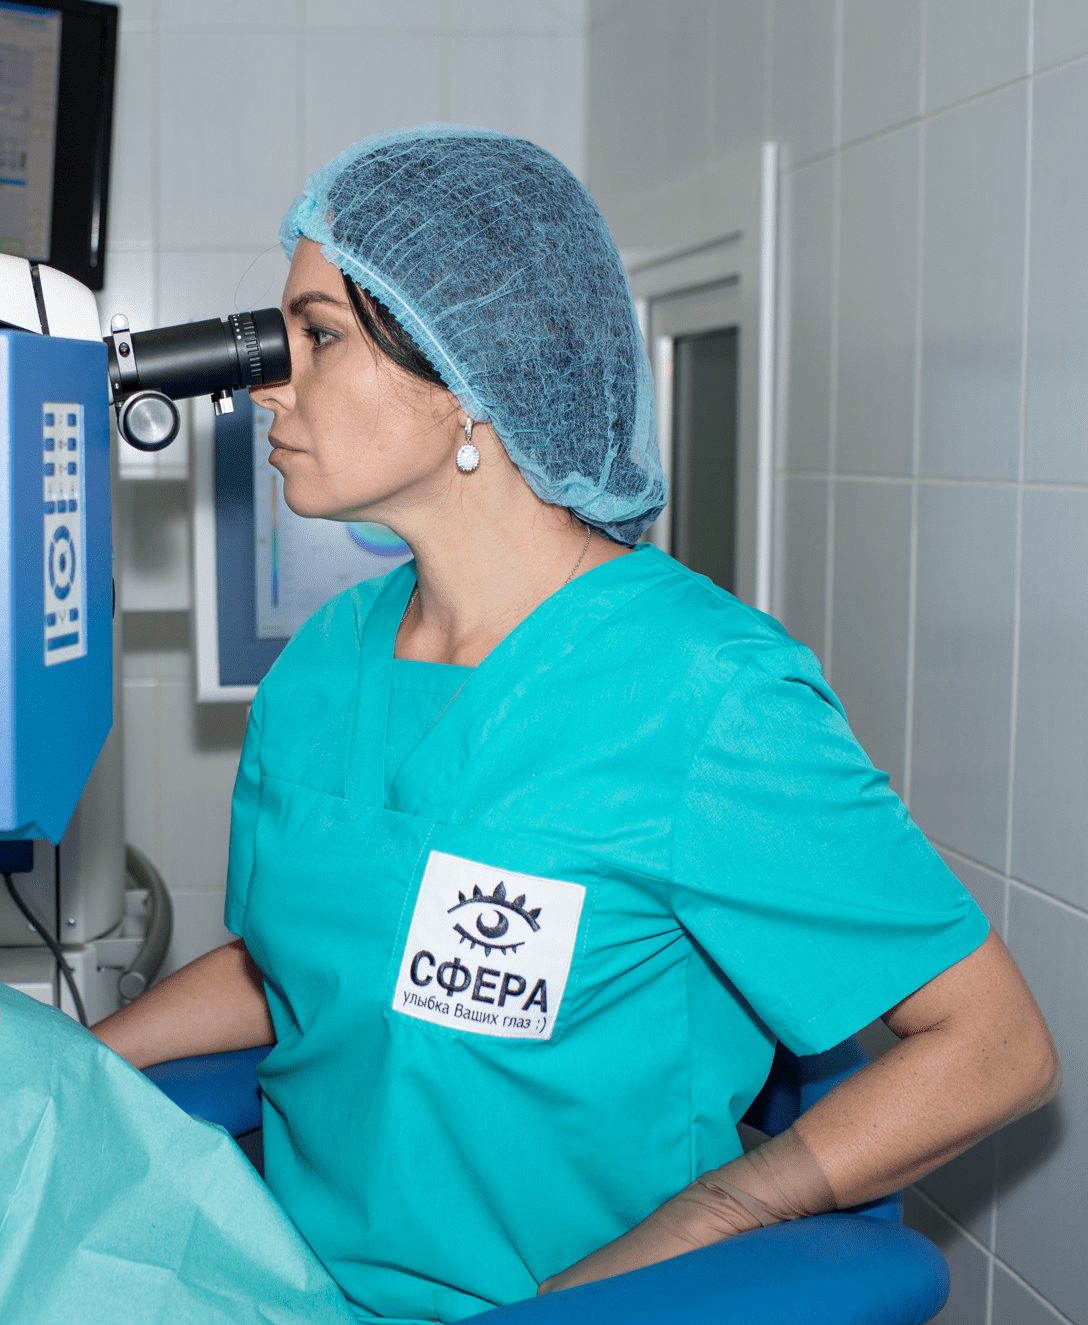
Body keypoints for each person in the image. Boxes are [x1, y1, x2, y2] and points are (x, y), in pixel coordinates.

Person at [92, 124, 1060, 1323]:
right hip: (287, 1282)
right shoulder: (323, 662)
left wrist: (718, 1215)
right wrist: (68, 1053)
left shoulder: (702, 694)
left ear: (470, 376)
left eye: (319, 336)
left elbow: (993, 1047)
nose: (264, 383)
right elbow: (292, 965)